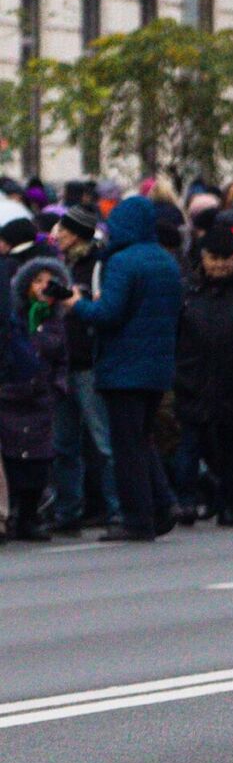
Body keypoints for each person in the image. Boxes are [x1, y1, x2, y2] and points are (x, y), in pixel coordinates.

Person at [66, 195, 181, 542]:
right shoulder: (166, 261)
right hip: (158, 366)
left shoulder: (122, 262)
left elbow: (109, 314)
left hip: (124, 367)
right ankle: (163, 504)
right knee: (143, 439)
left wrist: (78, 305)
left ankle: (138, 518)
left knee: (127, 445)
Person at [174, 227, 233, 526]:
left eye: (225, 259)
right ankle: (186, 501)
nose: (219, 265)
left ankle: (228, 503)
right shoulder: (187, 291)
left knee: (231, 447)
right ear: (202, 258)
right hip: (193, 378)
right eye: (213, 258)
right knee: (189, 443)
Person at [47, 205, 115, 533]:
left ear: (77, 234)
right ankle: (67, 511)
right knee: (63, 444)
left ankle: (115, 508)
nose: (57, 235)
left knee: (102, 440)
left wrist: (78, 301)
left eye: (63, 229)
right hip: (63, 361)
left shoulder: (98, 264)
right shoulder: (60, 265)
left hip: (88, 360)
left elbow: (102, 307)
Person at [2, 257, 70, 540]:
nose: (43, 287)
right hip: (10, 399)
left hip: (40, 401)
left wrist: (56, 388)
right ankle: (14, 513)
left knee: (38, 462)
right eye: (37, 280)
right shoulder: (15, 319)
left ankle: (30, 514)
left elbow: (63, 360)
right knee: (13, 459)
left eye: (48, 281)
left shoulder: (55, 322)